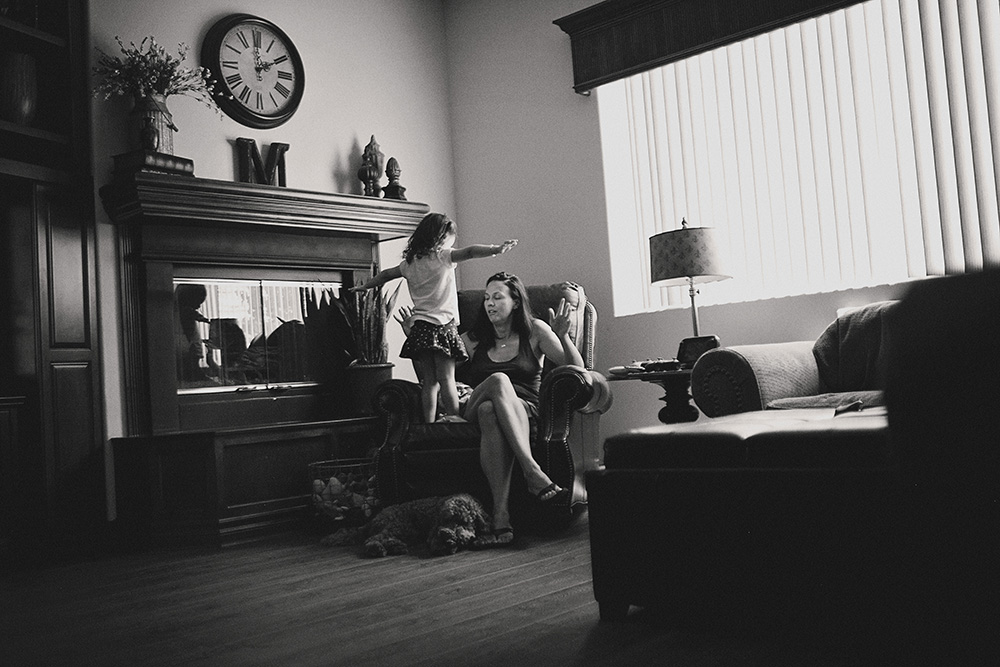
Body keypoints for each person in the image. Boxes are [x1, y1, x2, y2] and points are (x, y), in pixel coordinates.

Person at [397, 271, 584, 547]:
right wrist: (417, 342)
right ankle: (532, 471)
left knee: (490, 413)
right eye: (486, 298)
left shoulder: (536, 331)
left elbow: (578, 370)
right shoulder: (473, 339)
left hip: (523, 408)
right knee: (497, 381)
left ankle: (500, 515)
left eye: (497, 297)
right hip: (473, 404)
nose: (489, 304)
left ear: (516, 302)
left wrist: (564, 337)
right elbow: (433, 377)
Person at [351, 212, 517, 423]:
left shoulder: (409, 264)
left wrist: (366, 286)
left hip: (420, 328)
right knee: (447, 379)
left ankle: (429, 424)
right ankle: (454, 419)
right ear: (440, 237)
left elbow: (384, 275)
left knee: (429, 382)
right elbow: (471, 252)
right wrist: (496, 249)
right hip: (442, 327)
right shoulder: (442, 256)